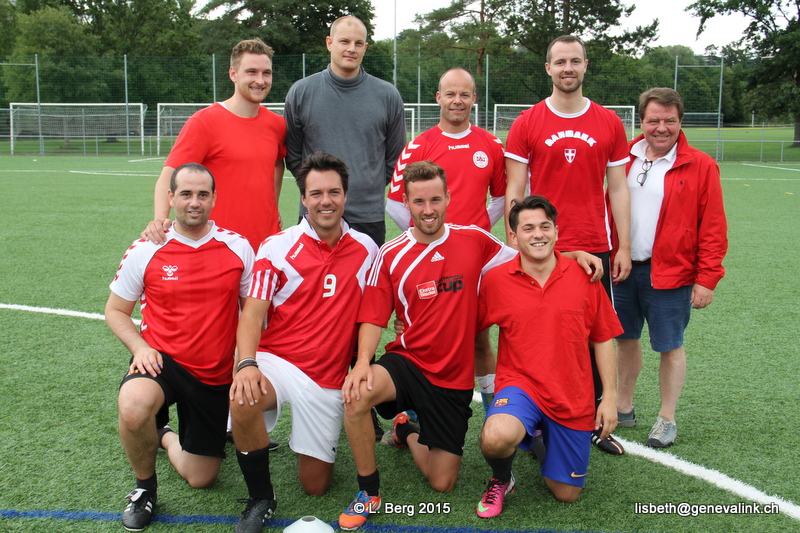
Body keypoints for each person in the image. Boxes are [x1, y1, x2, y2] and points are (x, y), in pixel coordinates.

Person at [338, 161, 602, 531]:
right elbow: (373, 316)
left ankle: (406, 430)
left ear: (448, 198)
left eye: (435, 199)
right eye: (418, 201)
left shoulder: (474, 239)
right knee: (356, 395)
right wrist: (364, 361)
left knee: (442, 482)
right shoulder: (391, 253)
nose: (428, 209)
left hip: (453, 380)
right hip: (408, 362)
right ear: (406, 203)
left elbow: (529, 254)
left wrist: (572, 255)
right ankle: (368, 491)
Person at [229, 152, 378, 533]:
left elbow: (370, 317)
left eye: (333, 192)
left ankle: (312, 437)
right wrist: (246, 364)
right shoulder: (276, 247)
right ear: (303, 198)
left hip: (327, 377)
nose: (325, 201)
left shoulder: (367, 249)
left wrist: (361, 362)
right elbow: (252, 315)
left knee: (315, 486)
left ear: (345, 195)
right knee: (243, 397)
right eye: (316, 193)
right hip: (278, 361)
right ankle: (260, 497)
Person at [106, 163, 254, 532]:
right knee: (133, 405)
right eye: (186, 194)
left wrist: (243, 361)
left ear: (214, 198)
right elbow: (115, 311)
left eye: (203, 194)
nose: (194, 202)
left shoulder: (238, 247)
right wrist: (139, 348)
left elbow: (252, 315)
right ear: (171, 198)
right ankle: (144, 489)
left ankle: (164, 435)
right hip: (162, 362)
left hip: (214, 374)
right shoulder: (146, 248)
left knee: (201, 477)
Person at [504, 34, 632, 454]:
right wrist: (515, 241)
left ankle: (594, 421)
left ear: (585, 65)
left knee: (595, 336)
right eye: (560, 62)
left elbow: (618, 189)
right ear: (548, 68)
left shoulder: (609, 122)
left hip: (594, 245)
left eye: (575, 61)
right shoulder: (527, 123)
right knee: (542, 338)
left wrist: (623, 246)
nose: (568, 69)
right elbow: (515, 188)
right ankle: (539, 422)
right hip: (542, 246)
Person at [475, 195, 623, 518]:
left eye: (545, 226)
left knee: (566, 494)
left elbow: (603, 338)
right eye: (528, 228)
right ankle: (501, 478)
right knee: (496, 436)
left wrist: (610, 398)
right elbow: (466, 326)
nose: (538, 234)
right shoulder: (496, 281)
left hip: (572, 394)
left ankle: (538, 436)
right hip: (521, 385)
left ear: (557, 231)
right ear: (513, 236)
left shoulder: (585, 276)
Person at [386, 67, 507, 416]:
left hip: (474, 262)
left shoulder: (491, 145)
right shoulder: (419, 145)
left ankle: (493, 412)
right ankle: (416, 415)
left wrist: (472, 238)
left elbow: (500, 198)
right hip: (428, 259)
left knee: (480, 337)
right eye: (450, 94)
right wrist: (428, 236)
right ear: (438, 97)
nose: (457, 101)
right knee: (425, 335)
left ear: (474, 98)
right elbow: (395, 202)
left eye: (464, 94)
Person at [611, 87, 728, 448]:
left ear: (680, 122)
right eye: (653, 120)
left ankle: (666, 418)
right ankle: (623, 407)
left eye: (669, 121)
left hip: (672, 273)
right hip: (623, 268)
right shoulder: (621, 157)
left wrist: (707, 279)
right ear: (641, 121)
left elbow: (713, 226)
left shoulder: (701, 165)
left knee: (669, 345)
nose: (661, 128)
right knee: (625, 339)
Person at [143, 38, 286, 253]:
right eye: (251, 72)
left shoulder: (277, 124)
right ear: (233, 74)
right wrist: (159, 220)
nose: (260, 80)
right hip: (220, 246)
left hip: (267, 243)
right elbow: (169, 174)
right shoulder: (204, 122)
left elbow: (277, 163)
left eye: (266, 73)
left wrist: (272, 207)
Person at [283, 15, 406, 247]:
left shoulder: (387, 95)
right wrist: (319, 192)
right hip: (315, 214)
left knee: (367, 273)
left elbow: (395, 159)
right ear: (329, 43)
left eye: (358, 43)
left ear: (365, 48)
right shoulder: (301, 92)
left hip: (367, 216)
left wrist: (367, 185)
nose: (352, 49)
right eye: (344, 41)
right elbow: (293, 155)